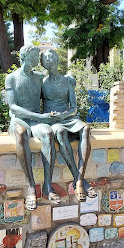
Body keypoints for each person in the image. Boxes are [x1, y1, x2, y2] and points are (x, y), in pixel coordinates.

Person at [5, 45, 61, 210]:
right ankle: (30, 186)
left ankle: (48, 186)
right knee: (21, 135)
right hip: (19, 120)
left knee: (48, 133)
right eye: (35, 56)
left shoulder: (39, 78)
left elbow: (52, 95)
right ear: (25, 57)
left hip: (36, 120)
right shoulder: (12, 78)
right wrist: (39, 117)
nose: (38, 59)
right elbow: (13, 106)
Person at [40, 49, 97, 201]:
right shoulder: (41, 82)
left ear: (58, 60)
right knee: (60, 132)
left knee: (85, 128)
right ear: (42, 63)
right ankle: (80, 181)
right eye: (45, 58)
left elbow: (74, 107)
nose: (49, 60)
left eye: (51, 57)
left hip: (67, 118)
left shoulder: (67, 80)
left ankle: (78, 178)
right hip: (52, 121)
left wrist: (64, 114)